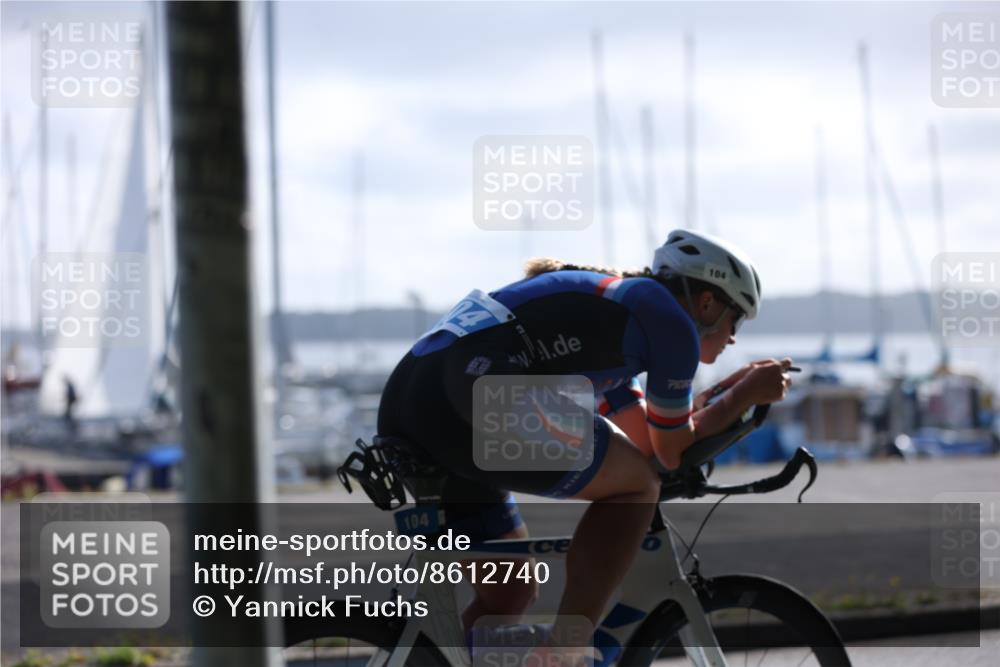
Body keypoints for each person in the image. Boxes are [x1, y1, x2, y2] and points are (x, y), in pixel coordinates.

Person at [377, 229, 793, 660]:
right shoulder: (670, 323)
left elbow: (648, 438)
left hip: (416, 404)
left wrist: (729, 391)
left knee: (510, 594)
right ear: (707, 303)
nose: (734, 337)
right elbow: (668, 454)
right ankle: (566, 650)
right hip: (471, 399)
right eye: (736, 319)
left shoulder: (620, 320)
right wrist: (744, 398)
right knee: (637, 487)